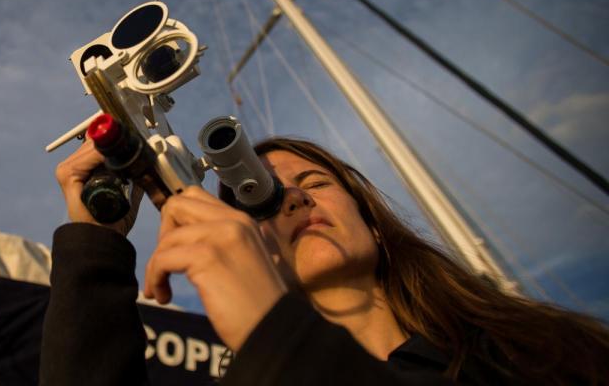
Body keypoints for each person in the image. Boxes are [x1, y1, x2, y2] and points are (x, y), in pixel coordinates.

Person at [40, 136, 609, 385]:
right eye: (258, 195)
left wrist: (274, 334)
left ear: (373, 223)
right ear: (252, 246)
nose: (292, 197)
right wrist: (96, 244)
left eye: (313, 181)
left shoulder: (541, 354)